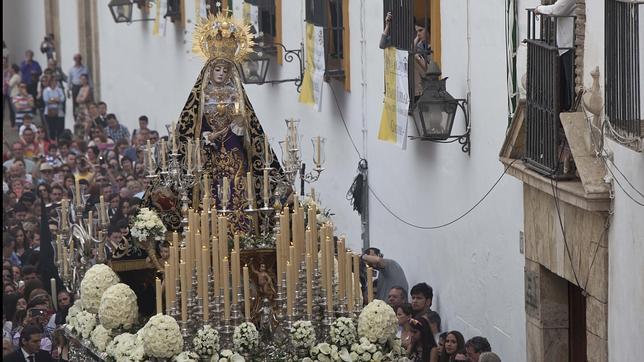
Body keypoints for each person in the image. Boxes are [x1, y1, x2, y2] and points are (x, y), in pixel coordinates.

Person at [145, 12, 285, 232]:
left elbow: (248, 132)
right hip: (207, 153)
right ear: (209, 71)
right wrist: (205, 138)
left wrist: (240, 124)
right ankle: (209, 230)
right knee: (209, 187)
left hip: (234, 150)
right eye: (217, 69)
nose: (220, 74)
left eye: (225, 70)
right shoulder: (201, 97)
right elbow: (191, 128)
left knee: (237, 184)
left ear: (231, 73)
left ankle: (239, 228)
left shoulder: (236, 95)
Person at [534, 0, 576, 111]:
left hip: (569, 46)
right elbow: (555, 14)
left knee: (570, 83)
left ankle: (570, 111)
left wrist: (540, 8)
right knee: (567, 83)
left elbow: (557, 10)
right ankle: (567, 111)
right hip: (565, 45)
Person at [42, 77, 65, 141]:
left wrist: (52, 99)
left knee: (60, 129)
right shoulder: (46, 90)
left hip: (59, 112)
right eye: (52, 81)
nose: (54, 83)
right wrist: (56, 99)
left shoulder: (59, 90)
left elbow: (62, 99)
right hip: (49, 112)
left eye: (55, 81)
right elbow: (46, 100)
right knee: (51, 129)